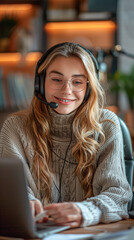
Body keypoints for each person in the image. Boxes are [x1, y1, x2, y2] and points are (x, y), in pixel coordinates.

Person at [0, 42, 132, 228]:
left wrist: (85, 211)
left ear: (88, 88)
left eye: (77, 82)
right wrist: (24, 203)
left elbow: (118, 195)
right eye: (56, 79)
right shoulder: (15, 127)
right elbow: (10, 191)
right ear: (40, 83)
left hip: (91, 233)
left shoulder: (106, 124)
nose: (66, 90)